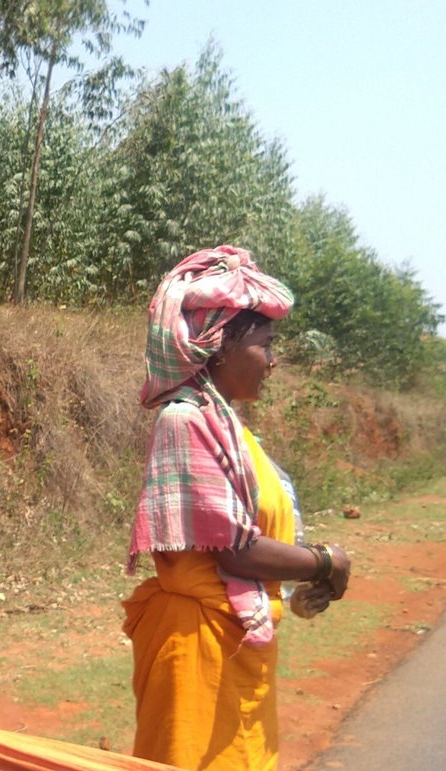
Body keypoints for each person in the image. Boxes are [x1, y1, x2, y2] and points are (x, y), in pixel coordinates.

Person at [122, 245, 352, 770]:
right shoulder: (185, 420)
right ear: (219, 346)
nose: (273, 360)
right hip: (198, 653)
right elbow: (237, 551)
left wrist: (294, 585)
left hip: (234, 649)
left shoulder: (228, 427)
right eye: (266, 345)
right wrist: (327, 561)